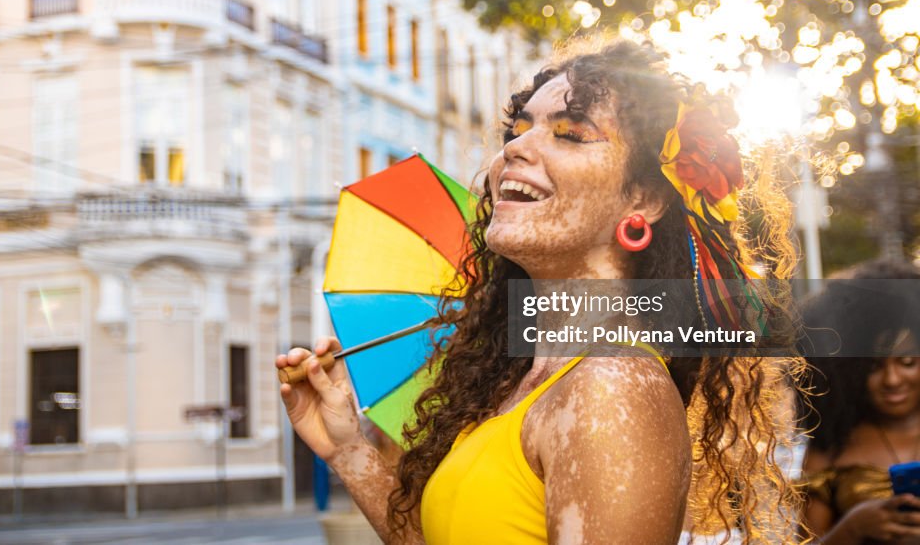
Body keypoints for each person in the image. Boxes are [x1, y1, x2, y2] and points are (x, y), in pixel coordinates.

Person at [277, 38, 803, 544]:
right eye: (521, 128)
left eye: (570, 134)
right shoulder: (517, 381)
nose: (515, 149)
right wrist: (348, 450)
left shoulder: (610, 389)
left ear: (643, 198)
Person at [801, 259, 920, 543]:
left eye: (907, 362)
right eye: (873, 367)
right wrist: (852, 528)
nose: (892, 379)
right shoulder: (829, 449)